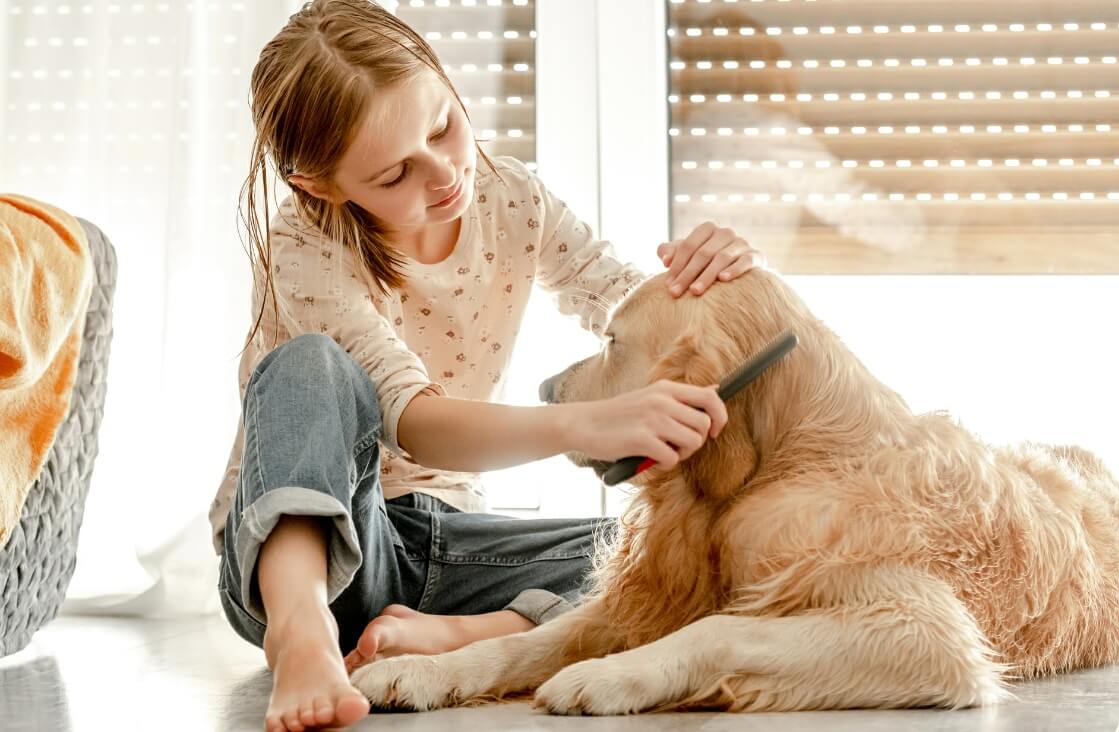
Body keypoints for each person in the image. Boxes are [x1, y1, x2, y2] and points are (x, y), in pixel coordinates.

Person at [212, 1, 765, 730]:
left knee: (677, 553)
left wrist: (718, 275)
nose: (443, 174)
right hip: (332, 548)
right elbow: (415, 425)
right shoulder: (303, 247)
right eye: (394, 173)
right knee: (306, 366)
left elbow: (627, 303)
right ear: (321, 184)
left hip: (453, 545)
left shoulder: (514, 198)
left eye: (442, 126)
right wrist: (588, 425)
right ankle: (300, 628)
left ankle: (457, 638)